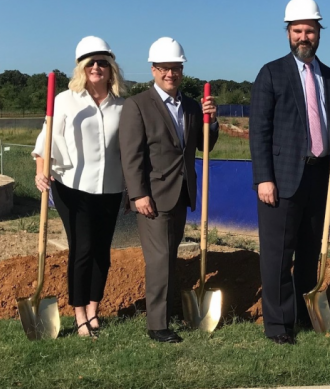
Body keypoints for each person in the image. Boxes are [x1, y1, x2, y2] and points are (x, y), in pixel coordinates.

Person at [249, 0, 330, 345]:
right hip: (281, 179)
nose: (303, 37)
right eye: (297, 30)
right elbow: (259, 130)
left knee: (310, 251)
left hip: (319, 176)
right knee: (278, 255)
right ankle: (278, 326)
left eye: (309, 30)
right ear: (288, 32)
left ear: (319, 33)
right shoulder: (271, 74)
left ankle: (305, 317)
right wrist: (264, 177)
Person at [119, 37, 218, 343]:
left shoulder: (190, 105)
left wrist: (211, 122)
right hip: (153, 196)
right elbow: (131, 154)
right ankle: (157, 325)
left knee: (170, 256)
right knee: (160, 259)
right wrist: (138, 194)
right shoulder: (137, 105)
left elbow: (204, 145)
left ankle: (169, 312)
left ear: (181, 70)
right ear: (153, 70)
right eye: (164, 68)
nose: (170, 74)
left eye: (175, 68)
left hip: (181, 192)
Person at [32, 36, 127, 337]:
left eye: (102, 62)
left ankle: (93, 310)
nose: (96, 67)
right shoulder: (64, 100)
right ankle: (78, 314)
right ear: (81, 68)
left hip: (111, 187)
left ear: (111, 68)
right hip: (71, 185)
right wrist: (40, 171)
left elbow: (129, 150)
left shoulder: (123, 106)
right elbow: (44, 142)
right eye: (90, 62)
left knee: (102, 251)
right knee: (82, 248)